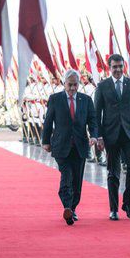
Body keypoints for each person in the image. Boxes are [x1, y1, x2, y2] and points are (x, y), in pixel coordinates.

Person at [94, 53, 130, 221]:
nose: (117, 69)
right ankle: (113, 209)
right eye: (114, 67)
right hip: (110, 135)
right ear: (109, 68)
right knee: (113, 172)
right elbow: (97, 113)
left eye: (120, 66)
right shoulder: (102, 86)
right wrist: (99, 136)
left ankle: (128, 203)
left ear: (123, 66)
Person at [41, 70, 98, 225]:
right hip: (61, 146)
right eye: (69, 84)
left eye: (75, 85)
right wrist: (45, 141)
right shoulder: (55, 99)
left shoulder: (86, 100)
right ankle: (67, 206)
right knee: (66, 176)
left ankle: (72, 208)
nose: (72, 88)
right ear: (64, 83)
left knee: (77, 181)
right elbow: (48, 121)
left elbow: (92, 120)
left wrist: (93, 135)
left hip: (80, 146)